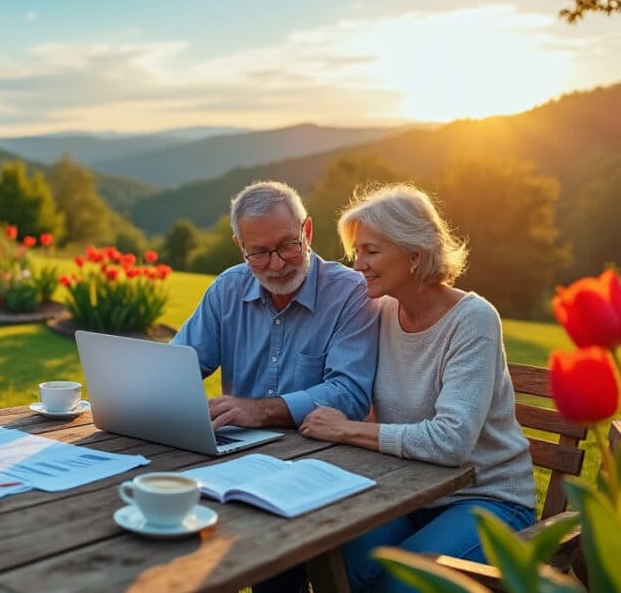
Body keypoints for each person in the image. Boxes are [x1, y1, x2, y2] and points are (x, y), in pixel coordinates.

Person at [298, 183, 536, 593]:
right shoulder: (381, 309)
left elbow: (451, 442)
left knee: (396, 582)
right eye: (357, 252)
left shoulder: (473, 320)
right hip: (408, 494)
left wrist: (345, 429)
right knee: (328, 551)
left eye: (371, 251)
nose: (359, 266)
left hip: (488, 498)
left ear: (415, 254)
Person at [173, 180, 380, 430]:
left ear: (308, 232)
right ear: (240, 247)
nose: (278, 264)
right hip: (240, 447)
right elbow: (178, 367)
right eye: (259, 252)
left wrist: (261, 411)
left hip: (318, 451)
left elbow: (349, 395)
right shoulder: (226, 289)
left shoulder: (351, 292)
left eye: (287, 245)